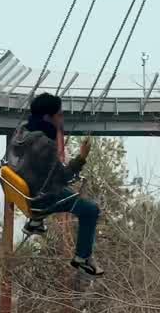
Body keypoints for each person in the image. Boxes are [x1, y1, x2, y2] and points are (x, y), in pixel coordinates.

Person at [7, 93, 103, 277]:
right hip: (40, 200)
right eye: (59, 115)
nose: (62, 118)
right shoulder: (45, 145)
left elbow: (45, 171)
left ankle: (35, 221)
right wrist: (81, 157)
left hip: (24, 188)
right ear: (47, 118)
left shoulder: (22, 131)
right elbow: (63, 177)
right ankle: (82, 258)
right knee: (90, 210)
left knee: (60, 190)